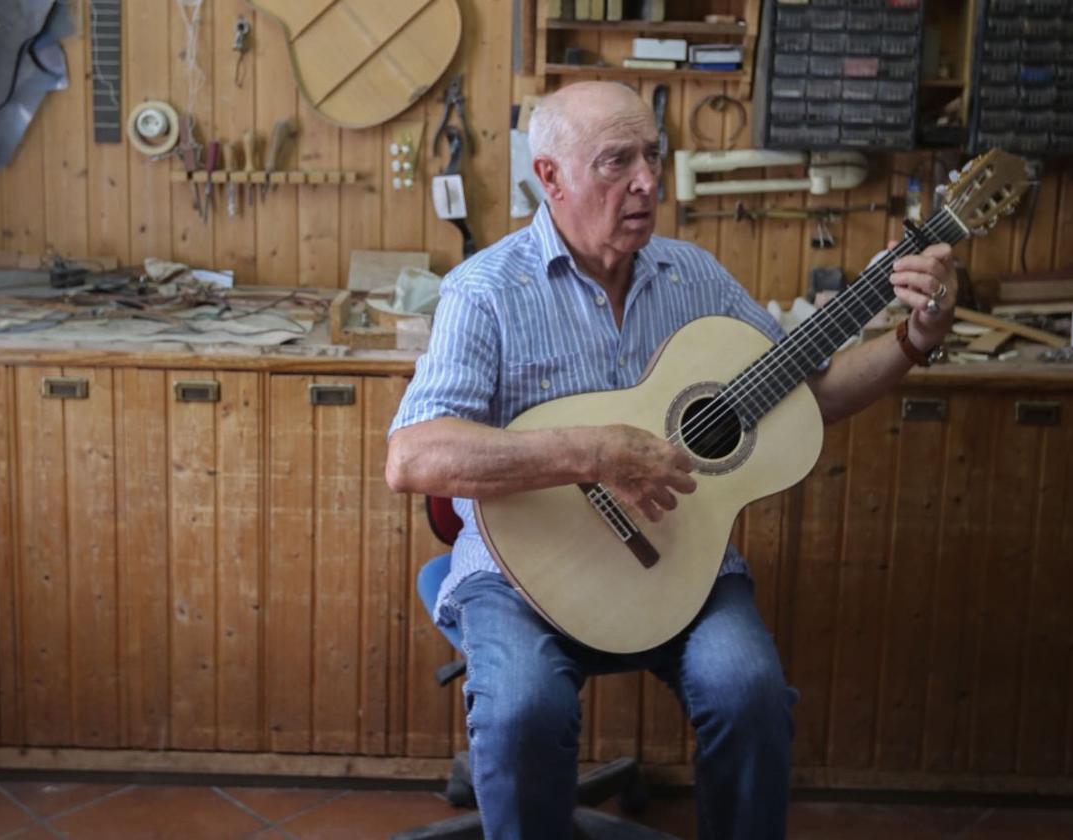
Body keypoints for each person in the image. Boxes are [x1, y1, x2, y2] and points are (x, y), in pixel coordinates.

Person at [386, 81, 956, 839]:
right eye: (616, 161)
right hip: (522, 572)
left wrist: (914, 339)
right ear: (549, 176)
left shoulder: (696, 279)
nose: (648, 181)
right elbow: (412, 457)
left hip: (682, 563)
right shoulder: (484, 291)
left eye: (651, 156)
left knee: (748, 691)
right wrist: (591, 451)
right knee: (523, 708)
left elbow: (808, 396)